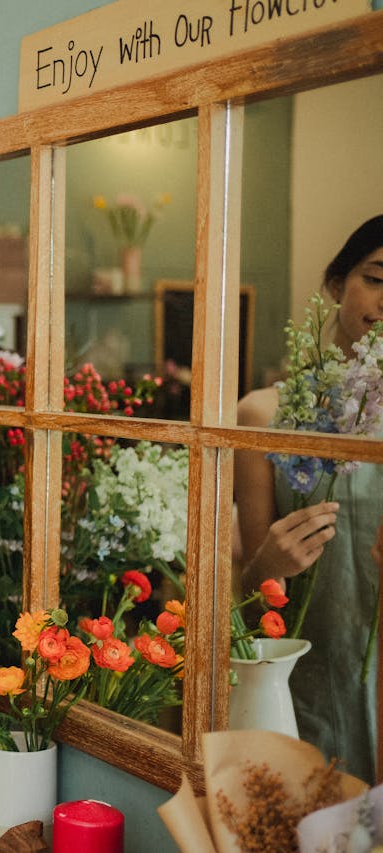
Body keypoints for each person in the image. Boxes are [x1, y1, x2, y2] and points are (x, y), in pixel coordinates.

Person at [236, 214, 383, 782]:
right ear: (335, 285)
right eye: (376, 277)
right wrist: (268, 566)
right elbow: (251, 602)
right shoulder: (264, 416)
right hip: (302, 691)